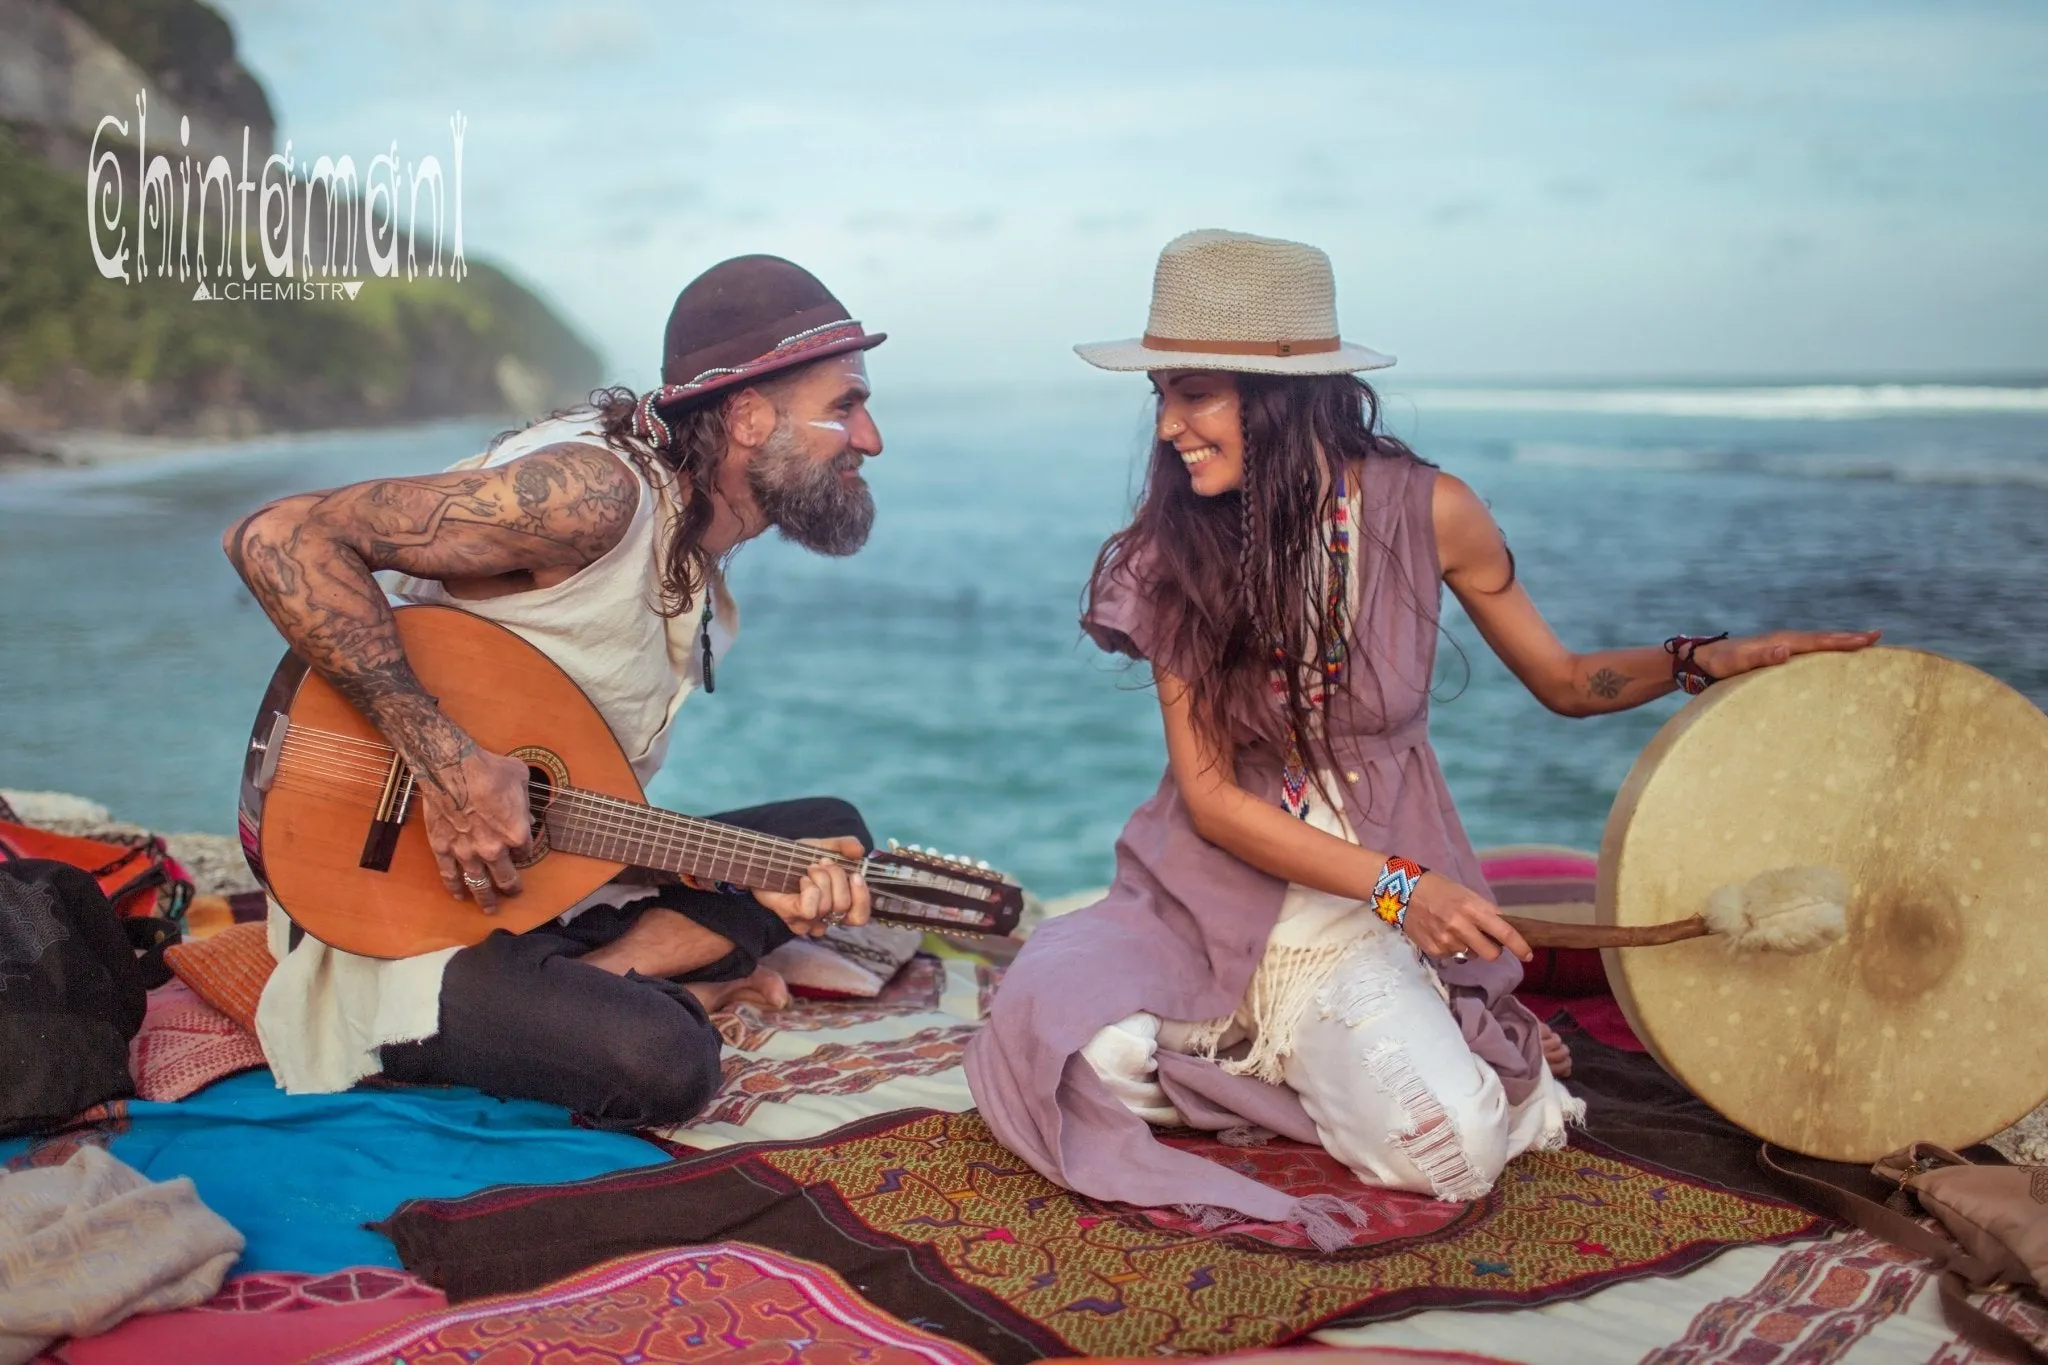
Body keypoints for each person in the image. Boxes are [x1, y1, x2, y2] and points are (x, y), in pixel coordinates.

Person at [964, 229, 1878, 1236]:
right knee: (1050, 1054)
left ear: (1286, 395)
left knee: (1452, 1154)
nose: (1170, 425)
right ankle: (1286, 1055)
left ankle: (1338, 1053)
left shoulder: (1430, 511)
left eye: (1196, 393)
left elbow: (1567, 683)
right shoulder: (1167, 548)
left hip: (1351, 923)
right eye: (1162, 395)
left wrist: (1700, 657)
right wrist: (1407, 890)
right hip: (1204, 897)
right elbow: (1215, 801)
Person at [224, 254, 888, 1129]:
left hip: (532, 881)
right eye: (845, 407)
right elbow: (278, 537)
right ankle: (617, 981)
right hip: (391, 907)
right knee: (664, 1062)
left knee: (825, 836)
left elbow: (574, 797)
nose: (871, 438)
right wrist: (451, 766)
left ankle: (609, 969)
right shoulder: (597, 493)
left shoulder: (694, 543)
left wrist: (735, 865)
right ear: (751, 416)